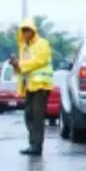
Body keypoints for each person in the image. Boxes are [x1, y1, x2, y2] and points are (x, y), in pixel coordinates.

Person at [12, 18, 53, 156]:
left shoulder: (42, 44)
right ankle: (33, 144)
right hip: (29, 86)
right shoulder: (23, 47)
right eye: (23, 31)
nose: (25, 33)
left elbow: (40, 61)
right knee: (28, 116)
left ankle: (36, 146)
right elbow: (21, 69)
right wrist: (15, 64)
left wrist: (21, 64)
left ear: (33, 31)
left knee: (37, 117)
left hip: (41, 86)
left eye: (28, 30)